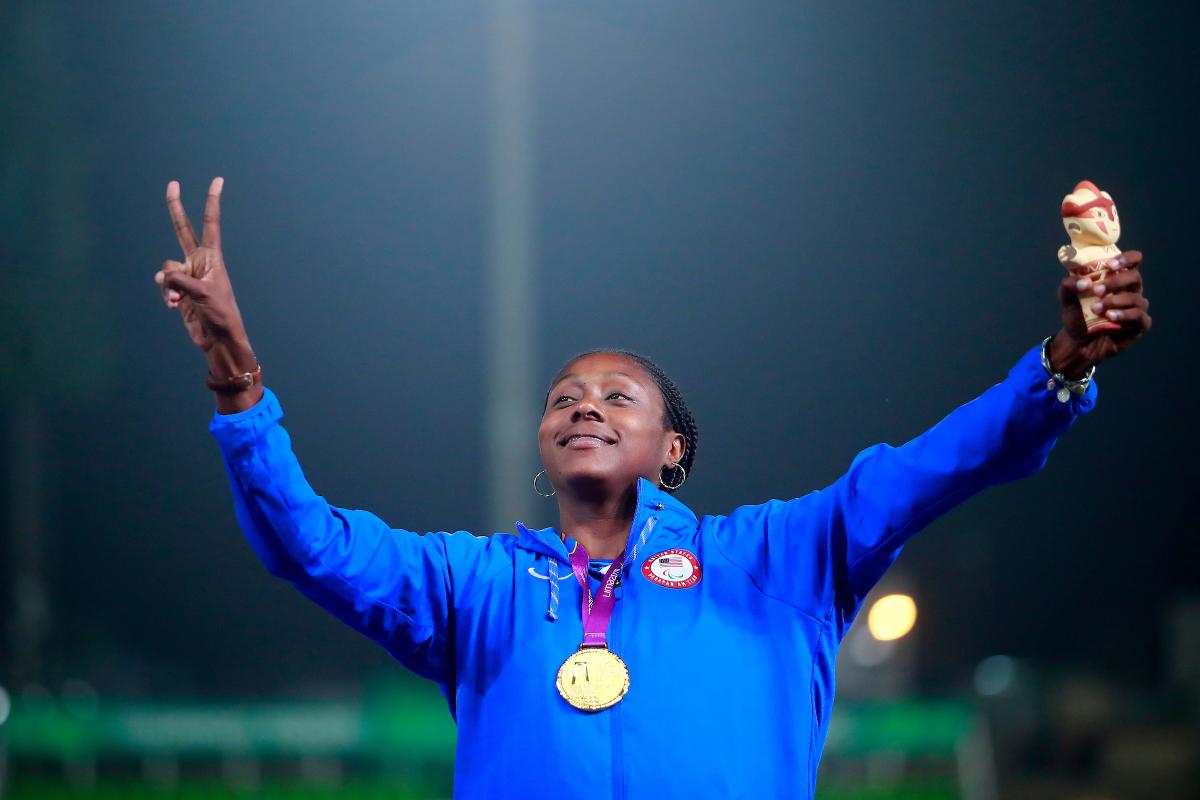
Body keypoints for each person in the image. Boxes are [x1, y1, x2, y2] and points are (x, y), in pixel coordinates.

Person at [155, 177, 1151, 799]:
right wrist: (241, 388)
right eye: (564, 397)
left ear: (672, 447)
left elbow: (934, 466)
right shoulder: (477, 586)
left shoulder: (776, 558)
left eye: (616, 395)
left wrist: (1058, 369)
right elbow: (312, 545)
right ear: (544, 441)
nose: (584, 406)